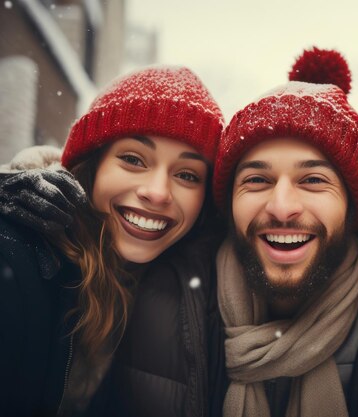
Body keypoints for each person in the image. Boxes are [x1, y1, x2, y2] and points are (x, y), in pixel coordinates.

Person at [211, 47, 358, 417]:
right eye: (257, 180)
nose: (282, 206)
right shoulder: (169, 309)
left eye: (313, 180)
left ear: (352, 206)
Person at [0, 66, 226, 417]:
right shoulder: (16, 256)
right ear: (93, 166)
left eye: (186, 174)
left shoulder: (180, 285)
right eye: (133, 159)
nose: (157, 193)